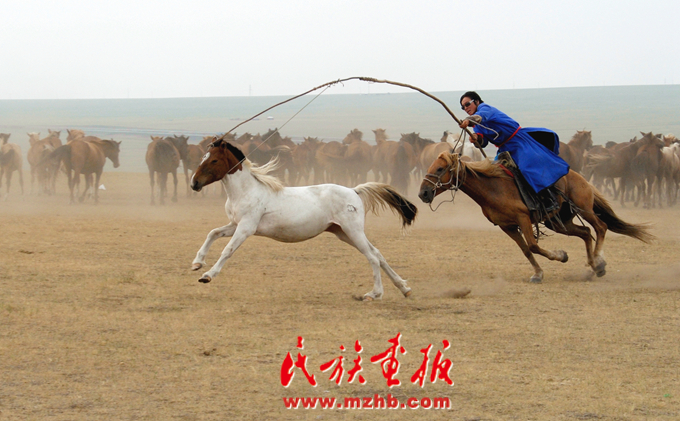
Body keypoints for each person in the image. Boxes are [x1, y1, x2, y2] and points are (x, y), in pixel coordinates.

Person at [458, 91, 569, 211]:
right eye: (463, 107)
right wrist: (476, 139)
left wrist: (468, 120)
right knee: (494, 172)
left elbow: (480, 117)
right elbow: (483, 141)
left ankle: (548, 198)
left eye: (467, 104)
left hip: (518, 142)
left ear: (477, 101)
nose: (466, 108)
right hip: (504, 149)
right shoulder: (476, 126)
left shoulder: (485, 108)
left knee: (526, 168)